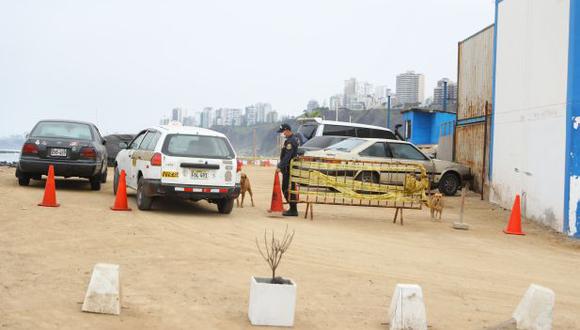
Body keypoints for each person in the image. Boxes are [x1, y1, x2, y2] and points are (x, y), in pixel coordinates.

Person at [276, 123, 300, 216]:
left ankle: (293, 210)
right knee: (290, 188)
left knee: (286, 188)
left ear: (287, 130)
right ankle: (293, 208)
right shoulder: (292, 139)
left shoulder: (290, 141)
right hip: (289, 169)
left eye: (283, 132)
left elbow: (287, 157)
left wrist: (280, 167)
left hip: (289, 169)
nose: (282, 134)